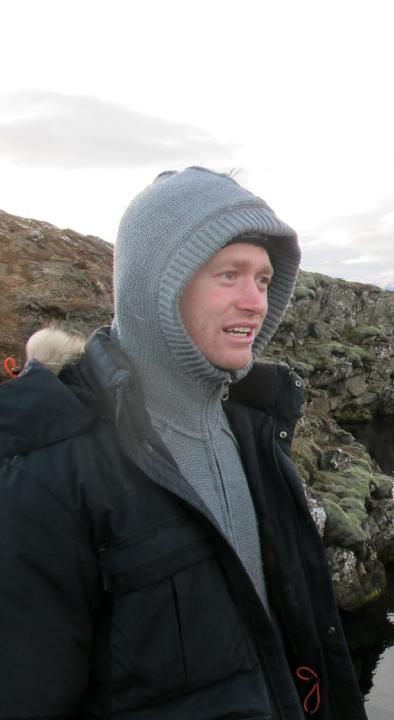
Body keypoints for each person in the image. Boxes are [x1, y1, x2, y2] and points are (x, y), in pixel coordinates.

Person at [0, 167, 367, 719]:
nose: (255, 302)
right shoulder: (46, 467)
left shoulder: (254, 428)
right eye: (229, 275)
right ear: (157, 286)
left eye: (264, 280)